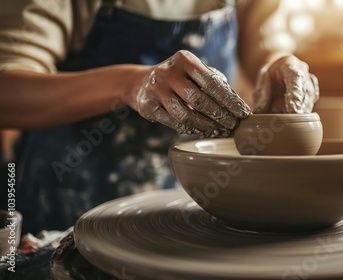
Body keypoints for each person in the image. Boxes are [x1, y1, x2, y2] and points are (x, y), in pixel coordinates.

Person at [0, 0, 319, 234]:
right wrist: (129, 85)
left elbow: (265, 42)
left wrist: (278, 63)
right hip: (68, 207)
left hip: (192, 209)